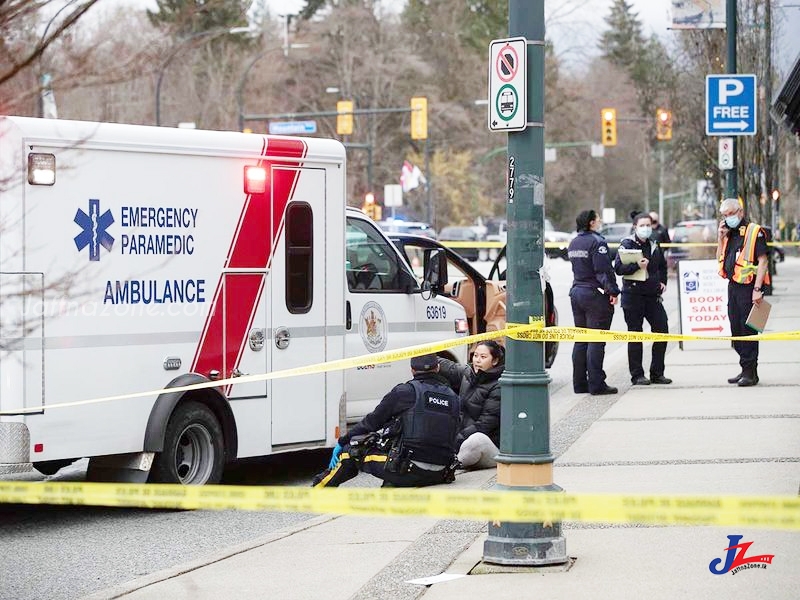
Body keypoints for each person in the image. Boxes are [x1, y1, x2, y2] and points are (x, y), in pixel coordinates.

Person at [312, 354, 460, 488]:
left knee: (350, 453)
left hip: (409, 470)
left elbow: (372, 422)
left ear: (412, 370)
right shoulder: (453, 397)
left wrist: (342, 442)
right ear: (438, 368)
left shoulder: (404, 392)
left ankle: (317, 490)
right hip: (441, 473)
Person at [716, 198, 770, 387]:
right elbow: (719, 259)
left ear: (740, 212)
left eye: (730, 214)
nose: (727, 218)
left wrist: (757, 289)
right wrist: (720, 238)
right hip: (733, 286)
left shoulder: (755, 232)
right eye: (724, 215)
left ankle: (750, 372)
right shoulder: (729, 234)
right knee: (736, 330)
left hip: (749, 288)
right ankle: (746, 369)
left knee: (748, 330)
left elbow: (763, 261)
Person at [614, 212, 672, 386]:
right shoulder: (627, 244)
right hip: (633, 295)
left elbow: (662, 266)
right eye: (643, 225)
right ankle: (637, 375)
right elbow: (618, 268)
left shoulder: (654, 243)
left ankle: (657, 373)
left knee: (662, 330)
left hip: (652, 295)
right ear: (635, 227)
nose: (647, 228)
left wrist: (663, 281)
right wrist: (636, 266)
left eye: (649, 225)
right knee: (635, 334)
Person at [567, 210, 620, 395]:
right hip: (594, 295)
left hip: (577, 293)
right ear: (591, 223)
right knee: (596, 340)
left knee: (581, 339)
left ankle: (580, 383)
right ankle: (597, 384)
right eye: (598, 219)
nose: (600, 221)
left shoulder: (574, 242)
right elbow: (603, 270)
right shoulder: (597, 242)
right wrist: (613, 291)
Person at [437, 341, 504, 469]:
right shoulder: (468, 373)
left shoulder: (498, 385)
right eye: (475, 355)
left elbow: (484, 425)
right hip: (460, 440)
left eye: (483, 357)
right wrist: (426, 360)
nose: (477, 360)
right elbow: (450, 367)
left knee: (476, 441)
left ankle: (449, 467)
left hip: (489, 446)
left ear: (494, 361)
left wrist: (455, 440)